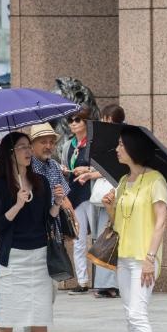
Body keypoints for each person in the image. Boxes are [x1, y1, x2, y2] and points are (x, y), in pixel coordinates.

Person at [0, 132, 64, 332]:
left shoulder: (40, 181)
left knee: (40, 318)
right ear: (10, 153)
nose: (27, 152)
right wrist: (18, 204)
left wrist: (57, 204)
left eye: (27, 147)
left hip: (40, 256)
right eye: (21, 147)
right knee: (7, 319)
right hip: (14, 259)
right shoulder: (0, 185)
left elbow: (47, 219)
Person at [101, 126, 167, 332]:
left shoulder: (156, 180)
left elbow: (161, 222)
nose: (117, 149)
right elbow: (118, 223)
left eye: (120, 145)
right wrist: (110, 206)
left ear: (132, 148)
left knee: (138, 314)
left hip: (144, 258)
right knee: (130, 315)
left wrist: (150, 257)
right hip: (125, 256)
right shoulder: (122, 182)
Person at [22, 123, 70, 332]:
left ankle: (39, 330)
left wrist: (65, 207)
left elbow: (63, 196)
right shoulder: (26, 168)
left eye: (51, 141)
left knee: (50, 284)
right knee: (37, 285)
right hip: (32, 233)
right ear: (31, 145)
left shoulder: (54, 167)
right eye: (43, 141)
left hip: (53, 230)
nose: (48, 145)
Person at [89, 105, 125, 298]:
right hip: (108, 197)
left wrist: (89, 174)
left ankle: (111, 284)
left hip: (116, 195)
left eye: (107, 120)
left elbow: (115, 169)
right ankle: (105, 283)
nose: (104, 123)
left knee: (110, 237)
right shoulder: (110, 139)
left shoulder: (120, 141)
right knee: (105, 237)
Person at [63, 109, 93, 294]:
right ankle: (82, 281)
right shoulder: (69, 145)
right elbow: (66, 163)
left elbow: (101, 167)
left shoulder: (92, 143)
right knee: (78, 239)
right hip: (74, 193)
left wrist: (86, 169)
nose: (73, 123)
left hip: (92, 193)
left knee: (99, 236)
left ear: (86, 122)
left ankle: (107, 283)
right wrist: (66, 170)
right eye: (70, 120)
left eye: (77, 120)